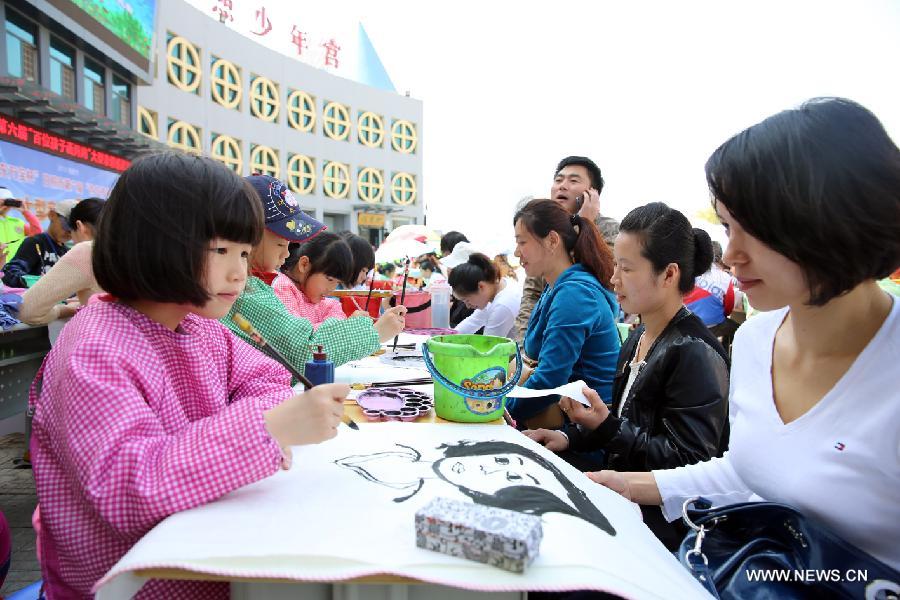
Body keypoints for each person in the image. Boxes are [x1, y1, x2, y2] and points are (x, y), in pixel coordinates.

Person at [589, 98, 900, 572]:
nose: (731, 254)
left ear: (829, 220)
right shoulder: (756, 341)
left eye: (752, 229)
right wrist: (627, 485)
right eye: (728, 227)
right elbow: (748, 469)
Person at [29, 153, 351, 598]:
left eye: (243, 252)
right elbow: (127, 488)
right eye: (222, 251)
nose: (239, 272)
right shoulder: (95, 350)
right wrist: (266, 429)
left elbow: (267, 380)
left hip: (204, 550)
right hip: (129, 582)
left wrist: (249, 429)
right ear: (155, 240)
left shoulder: (199, 327)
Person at [524, 202, 730, 549]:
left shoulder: (693, 351)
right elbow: (621, 422)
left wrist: (604, 429)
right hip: (622, 494)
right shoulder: (639, 335)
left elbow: (689, 463)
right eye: (616, 266)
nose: (613, 278)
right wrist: (569, 437)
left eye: (626, 269)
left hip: (664, 527)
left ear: (669, 274)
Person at [222, 174, 406, 373]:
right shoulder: (245, 290)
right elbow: (304, 352)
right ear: (249, 236)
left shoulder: (255, 284)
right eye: (280, 244)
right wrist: (375, 333)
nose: (286, 253)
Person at [506, 199, 620, 430]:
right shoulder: (557, 285)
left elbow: (550, 380)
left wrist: (496, 409)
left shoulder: (574, 293)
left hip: (581, 432)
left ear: (552, 240)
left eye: (522, 242)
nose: (517, 252)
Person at [514, 156, 620, 341]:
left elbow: (599, 281)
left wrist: (584, 223)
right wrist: (523, 348)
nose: (562, 186)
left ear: (592, 193)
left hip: (584, 337)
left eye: (573, 180)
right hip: (543, 340)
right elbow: (531, 295)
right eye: (558, 180)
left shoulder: (610, 230)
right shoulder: (541, 230)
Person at [19, 198, 106, 324]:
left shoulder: (86, 251)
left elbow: (25, 310)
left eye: (71, 231)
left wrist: (64, 310)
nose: (69, 236)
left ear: (80, 227)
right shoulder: (133, 253)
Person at [272, 232, 353, 327]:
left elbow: (335, 311)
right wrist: (346, 326)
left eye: (338, 282)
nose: (332, 289)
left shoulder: (325, 303)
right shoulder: (282, 287)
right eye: (330, 279)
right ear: (304, 265)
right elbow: (298, 334)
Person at [1, 199, 74, 288]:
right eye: (67, 225)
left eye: (75, 228)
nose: (70, 232)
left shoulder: (69, 252)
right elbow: (10, 273)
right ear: (52, 215)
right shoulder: (35, 243)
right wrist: (33, 281)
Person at [448, 253, 522, 338]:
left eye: (467, 300)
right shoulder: (496, 288)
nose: (468, 306)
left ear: (481, 286)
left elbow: (489, 344)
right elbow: (473, 321)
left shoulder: (503, 304)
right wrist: (450, 338)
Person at [0, 186, 42, 263]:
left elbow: (37, 233)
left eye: (8, 202)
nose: (6, 205)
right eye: (3, 201)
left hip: (13, 270)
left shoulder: (17, 222)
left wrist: (25, 212)